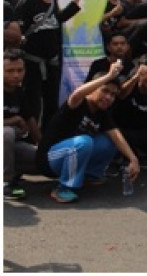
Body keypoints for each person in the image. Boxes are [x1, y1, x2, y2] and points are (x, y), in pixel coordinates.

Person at [36, 62, 140, 204]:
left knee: (110, 141)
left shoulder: (102, 112)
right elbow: (77, 93)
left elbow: (116, 135)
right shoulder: (77, 103)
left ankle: (90, 175)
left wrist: (133, 159)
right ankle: (64, 188)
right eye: (105, 91)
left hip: (72, 155)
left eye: (113, 95)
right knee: (84, 141)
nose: (109, 97)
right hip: (50, 159)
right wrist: (109, 75)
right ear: (93, 89)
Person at [14, 0, 86, 128]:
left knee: (51, 103)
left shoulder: (53, 0)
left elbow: (57, 20)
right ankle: (32, 140)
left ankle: (48, 139)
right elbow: (17, 31)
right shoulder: (27, 1)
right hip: (32, 62)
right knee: (33, 103)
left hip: (52, 62)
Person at [4, 49, 39, 200]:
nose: (16, 75)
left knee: (43, 161)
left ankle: (12, 172)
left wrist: (44, 147)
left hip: (12, 146)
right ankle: (6, 182)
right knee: (6, 133)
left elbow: (31, 121)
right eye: (10, 71)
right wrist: (14, 120)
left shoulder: (21, 92)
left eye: (19, 70)